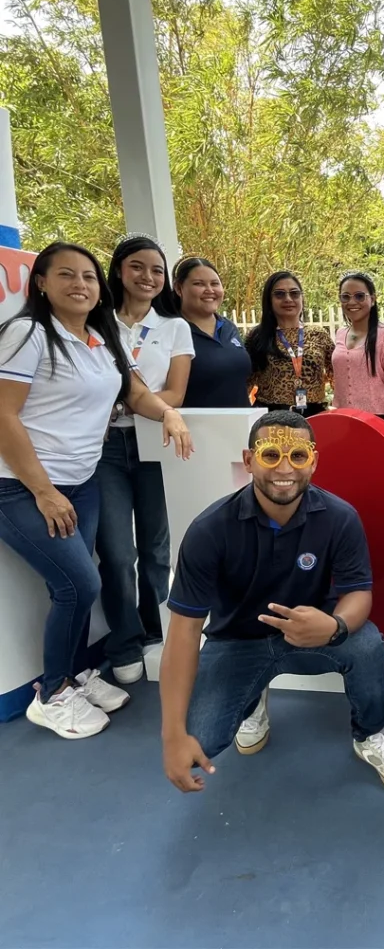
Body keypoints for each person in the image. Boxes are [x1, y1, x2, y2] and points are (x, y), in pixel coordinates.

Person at [160, 410, 384, 795]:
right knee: (197, 740)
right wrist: (171, 735)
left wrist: (335, 626)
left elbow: (358, 593)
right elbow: (183, 632)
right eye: (270, 455)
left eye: (298, 456)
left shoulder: (339, 518)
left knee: (366, 645)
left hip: (311, 637)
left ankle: (370, 733)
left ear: (313, 461)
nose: (285, 468)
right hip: (236, 643)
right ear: (249, 460)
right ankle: (253, 701)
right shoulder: (209, 530)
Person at [0, 242, 193, 740]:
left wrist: (168, 413)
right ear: (41, 283)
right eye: (66, 275)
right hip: (23, 486)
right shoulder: (28, 334)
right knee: (79, 585)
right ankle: (53, 694)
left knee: (72, 587)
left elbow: (135, 392)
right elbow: (4, 414)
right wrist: (43, 491)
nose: (80, 285)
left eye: (88, 276)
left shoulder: (98, 337)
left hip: (81, 482)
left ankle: (74, 674)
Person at [96, 235, 195, 684]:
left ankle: (155, 632)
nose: (148, 277)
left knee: (157, 548)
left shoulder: (174, 327)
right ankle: (124, 640)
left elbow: (176, 393)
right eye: (137, 267)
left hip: (156, 440)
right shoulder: (97, 322)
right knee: (118, 552)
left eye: (157, 270)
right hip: (105, 448)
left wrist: (125, 404)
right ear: (119, 270)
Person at [246, 271, 334, 417]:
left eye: (294, 293)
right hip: (272, 418)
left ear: (302, 297)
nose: (288, 299)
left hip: (314, 417)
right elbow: (245, 383)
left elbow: (336, 376)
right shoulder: (257, 336)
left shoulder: (318, 334)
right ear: (269, 300)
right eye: (279, 294)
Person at [332, 271, 384, 431]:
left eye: (359, 296)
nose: (352, 302)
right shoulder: (340, 334)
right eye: (345, 297)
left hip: (378, 421)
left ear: (372, 299)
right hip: (343, 420)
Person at [174, 257, 252, 408]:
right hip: (195, 421)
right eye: (199, 284)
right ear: (178, 288)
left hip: (240, 420)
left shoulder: (228, 327)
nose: (209, 290)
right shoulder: (173, 330)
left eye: (215, 283)